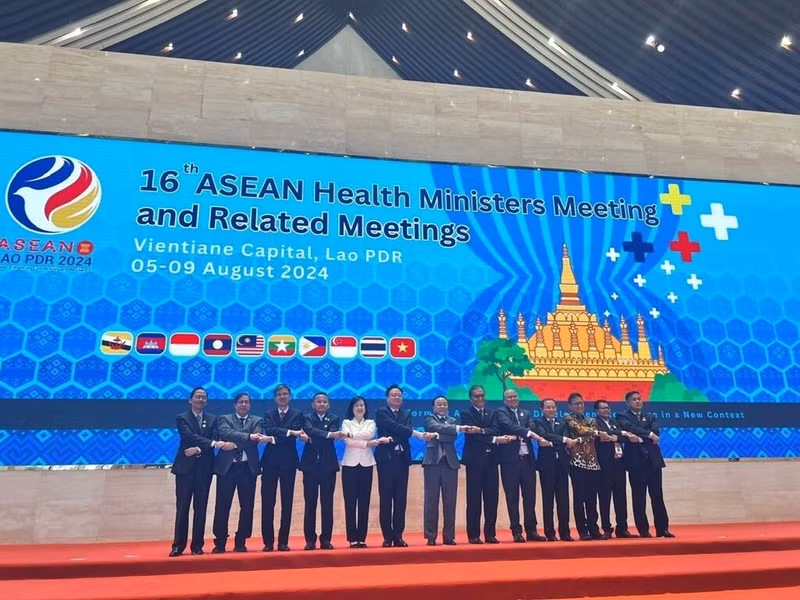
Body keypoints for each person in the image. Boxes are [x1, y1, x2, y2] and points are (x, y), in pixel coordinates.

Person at [169, 386, 232, 557]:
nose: (200, 400)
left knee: (201, 507)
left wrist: (198, 449)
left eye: (203, 397)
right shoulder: (181, 418)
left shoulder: (213, 419)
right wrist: (207, 445)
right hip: (184, 469)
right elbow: (188, 437)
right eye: (197, 397)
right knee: (182, 508)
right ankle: (178, 545)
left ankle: (197, 545)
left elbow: (215, 438)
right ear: (190, 400)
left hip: (204, 469)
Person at [211, 393, 273, 553]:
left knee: (247, 506)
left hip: (247, 468)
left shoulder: (257, 420)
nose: (244, 404)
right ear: (235, 404)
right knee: (222, 505)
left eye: (246, 402)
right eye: (241, 402)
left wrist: (236, 444)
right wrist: (248, 436)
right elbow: (225, 434)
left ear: (250, 405)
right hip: (227, 468)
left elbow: (256, 440)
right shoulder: (224, 419)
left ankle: (241, 541)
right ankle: (220, 542)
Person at [374, 384, 434, 547]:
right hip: (385, 460)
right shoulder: (381, 412)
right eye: (393, 395)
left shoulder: (406, 413)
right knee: (386, 499)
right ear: (387, 398)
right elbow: (396, 428)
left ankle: (398, 535)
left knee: (401, 499)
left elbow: (403, 432)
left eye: (399, 395)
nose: (397, 397)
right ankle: (387, 536)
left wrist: (394, 438)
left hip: (402, 460)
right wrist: (413, 434)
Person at [616, 390, 675, 538]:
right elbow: (630, 429)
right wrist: (648, 435)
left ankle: (662, 529)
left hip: (653, 461)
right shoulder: (622, 416)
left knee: (657, 496)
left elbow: (656, 432)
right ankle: (643, 530)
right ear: (628, 403)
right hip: (635, 463)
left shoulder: (650, 417)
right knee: (639, 497)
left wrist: (641, 438)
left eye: (639, 399)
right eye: (634, 400)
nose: (637, 401)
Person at [459, 385, 512, 544]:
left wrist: (482, 431)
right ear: (471, 398)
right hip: (474, 461)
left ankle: (490, 534)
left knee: (491, 499)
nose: (480, 399)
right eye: (476, 396)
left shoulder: (493, 413)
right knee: (474, 499)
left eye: (482, 396)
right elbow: (472, 435)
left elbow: (495, 430)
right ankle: (473, 535)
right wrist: (491, 436)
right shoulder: (466, 414)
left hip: (491, 461)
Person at [422, 396, 477, 546]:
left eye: (445, 404)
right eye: (439, 404)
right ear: (433, 406)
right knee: (431, 501)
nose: (442, 406)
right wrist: (445, 432)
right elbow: (436, 427)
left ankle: (448, 536)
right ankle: (431, 536)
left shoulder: (452, 420)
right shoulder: (428, 418)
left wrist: (437, 435)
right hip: (432, 462)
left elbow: (451, 437)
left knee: (450, 501)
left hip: (450, 463)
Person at [495, 388, 548, 542]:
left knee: (530, 497)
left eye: (514, 396)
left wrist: (521, 433)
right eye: (509, 397)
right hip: (510, 462)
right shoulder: (501, 412)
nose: (512, 399)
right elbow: (509, 426)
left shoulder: (526, 413)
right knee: (512, 498)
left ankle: (531, 530)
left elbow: (533, 428)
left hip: (527, 461)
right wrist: (526, 433)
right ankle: (516, 531)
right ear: (504, 400)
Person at [260, 384, 308, 552]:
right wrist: (289, 433)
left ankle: (283, 542)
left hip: (289, 462)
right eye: (279, 394)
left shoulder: (297, 414)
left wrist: (273, 438)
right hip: (269, 463)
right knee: (268, 502)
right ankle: (267, 542)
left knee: (286, 503)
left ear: (290, 396)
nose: (282, 396)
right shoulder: (268, 414)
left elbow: (278, 433)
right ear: (275, 398)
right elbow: (270, 429)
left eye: (285, 394)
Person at [341, 396, 389, 548]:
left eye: (362, 405)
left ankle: (362, 537)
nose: (360, 408)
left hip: (367, 464)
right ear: (352, 408)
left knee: (364, 502)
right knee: (350, 502)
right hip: (349, 465)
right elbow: (348, 442)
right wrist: (367, 444)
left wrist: (353, 436)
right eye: (357, 405)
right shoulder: (346, 422)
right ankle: (352, 538)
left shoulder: (371, 423)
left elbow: (368, 434)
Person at [300, 392, 344, 550]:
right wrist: (328, 435)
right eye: (319, 401)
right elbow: (309, 430)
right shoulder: (306, 418)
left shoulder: (334, 418)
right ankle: (310, 540)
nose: (322, 404)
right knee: (310, 503)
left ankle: (326, 539)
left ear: (329, 404)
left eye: (325, 401)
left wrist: (315, 437)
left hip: (328, 466)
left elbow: (317, 435)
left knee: (327, 504)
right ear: (313, 404)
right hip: (310, 466)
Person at [534, 397, 576, 542]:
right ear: (542, 409)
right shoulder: (538, 422)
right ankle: (550, 533)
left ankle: (565, 532)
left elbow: (563, 437)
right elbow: (544, 435)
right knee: (548, 500)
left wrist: (556, 442)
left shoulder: (562, 422)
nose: (551, 410)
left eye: (553, 407)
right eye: (548, 407)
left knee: (563, 500)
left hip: (563, 465)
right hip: (547, 465)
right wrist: (562, 441)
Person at [564, 393, 603, 541]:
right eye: (576, 404)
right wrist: (595, 433)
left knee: (592, 497)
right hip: (577, 461)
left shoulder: (591, 420)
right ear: (570, 406)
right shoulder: (567, 419)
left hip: (592, 462)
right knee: (579, 497)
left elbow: (591, 435)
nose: (579, 406)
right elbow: (580, 430)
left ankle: (594, 529)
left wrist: (582, 438)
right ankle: (583, 530)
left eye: (581, 403)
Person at [594, 399, 631, 538]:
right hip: (604, 465)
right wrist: (617, 435)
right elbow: (600, 435)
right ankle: (606, 528)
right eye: (603, 408)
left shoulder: (615, 422)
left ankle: (622, 528)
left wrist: (616, 436)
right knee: (605, 498)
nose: (606, 410)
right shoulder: (594, 422)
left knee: (620, 497)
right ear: (597, 411)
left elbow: (625, 437)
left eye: (608, 408)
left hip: (619, 464)